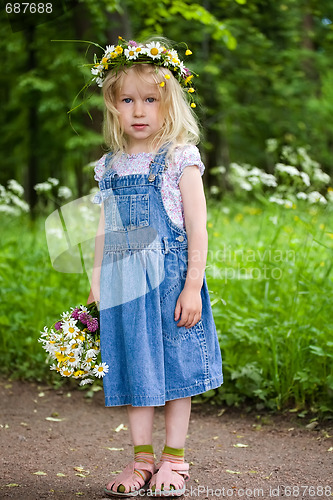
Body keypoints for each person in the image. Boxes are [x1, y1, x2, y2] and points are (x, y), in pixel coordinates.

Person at [86, 37, 223, 497]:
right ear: (112, 106)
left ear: (170, 105)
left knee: (175, 369)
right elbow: (104, 233)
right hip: (125, 287)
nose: (139, 111)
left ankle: (175, 459)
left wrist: (191, 287)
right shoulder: (110, 166)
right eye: (128, 100)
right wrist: (95, 287)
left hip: (170, 287)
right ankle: (142, 459)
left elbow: (197, 231)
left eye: (151, 100)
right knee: (132, 372)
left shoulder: (179, 159)